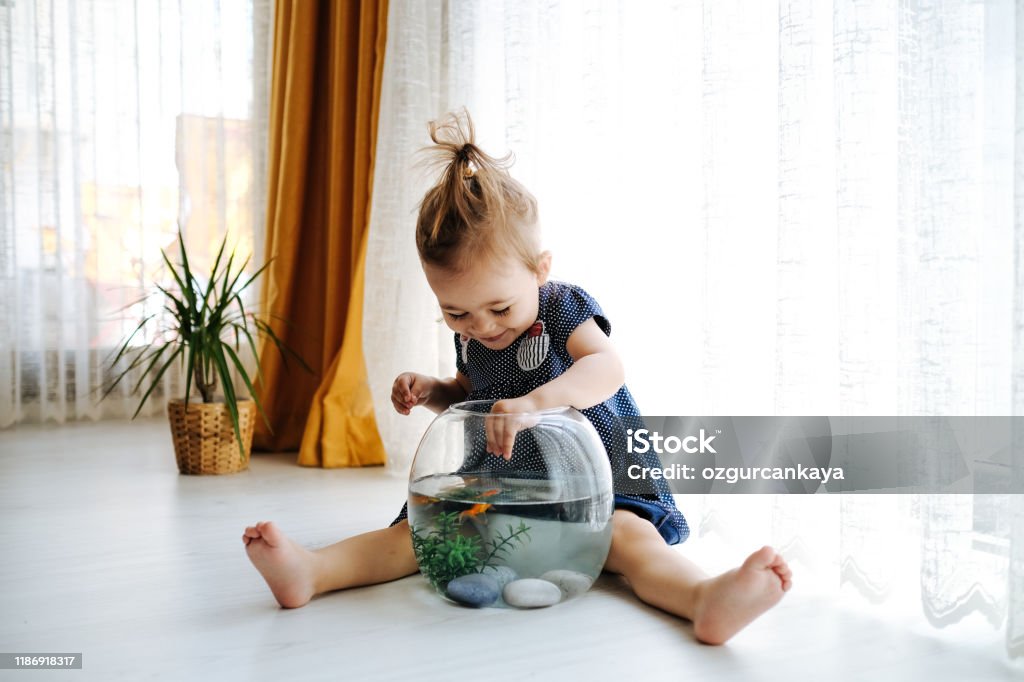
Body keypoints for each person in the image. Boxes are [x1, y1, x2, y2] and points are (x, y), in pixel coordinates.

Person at [243, 109, 792, 645]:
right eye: (456, 313)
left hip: (596, 481)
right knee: (415, 536)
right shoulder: (475, 333)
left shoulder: (561, 308)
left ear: (540, 269)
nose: (481, 327)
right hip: (500, 484)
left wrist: (536, 401)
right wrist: (432, 391)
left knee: (630, 543)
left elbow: (607, 368)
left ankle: (703, 599)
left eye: (499, 309)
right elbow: (470, 396)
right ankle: (313, 572)